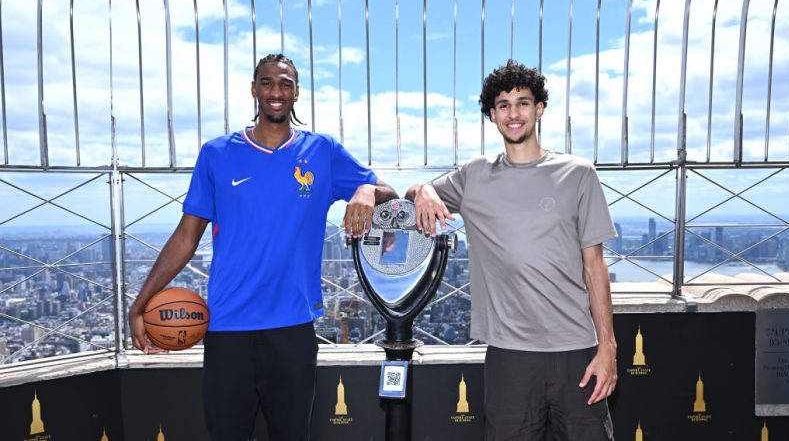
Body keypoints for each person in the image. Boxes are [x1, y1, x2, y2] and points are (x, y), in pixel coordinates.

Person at [128, 53, 397, 441]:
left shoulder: (323, 151)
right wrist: (141, 303)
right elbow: (186, 237)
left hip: (292, 330)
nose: (276, 91)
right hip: (227, 330)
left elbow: (389, 195)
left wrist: (367, 187)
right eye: (268, 82)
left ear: (296, 93)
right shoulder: (217, 154)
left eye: (285, 84)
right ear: (254, 90)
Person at [406, 60, 617, 441]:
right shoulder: (473, 176)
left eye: (522, 102)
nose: (513, 113)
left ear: (539, 109)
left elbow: (595, 267)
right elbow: (417, 196)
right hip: (510, 356)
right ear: (492, 114)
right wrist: (423, 190)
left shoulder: (579, 173)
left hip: (577, 352)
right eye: (503, 105)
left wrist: (608, 349)